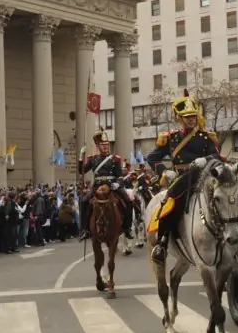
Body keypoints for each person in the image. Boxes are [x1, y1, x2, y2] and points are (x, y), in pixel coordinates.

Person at [147, 90, 222, 265]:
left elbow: (217, 157)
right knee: (170, 201)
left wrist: (206, 159)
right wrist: (165, 173)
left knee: (227, 197)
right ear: (179, 118)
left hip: (203, 176)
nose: (191, 119)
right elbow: (152, 158)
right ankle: (162, 242)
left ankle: (234, 239)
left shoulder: (205, 137)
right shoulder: (171, 138)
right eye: (186, 116)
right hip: (181, 179)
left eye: (193, 116)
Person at [78, 130, 130, 240]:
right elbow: (81, 171)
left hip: (112, 186)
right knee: (83, 201)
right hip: (97, 187)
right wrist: (81, 158)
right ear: (98, 145)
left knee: (128, 201)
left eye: (107, 145)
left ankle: (127, 227)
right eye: (103, 145)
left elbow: (120, 175)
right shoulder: (93, 159)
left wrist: (118, 183)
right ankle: (85, 230)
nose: (106, 147)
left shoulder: (115, 159)